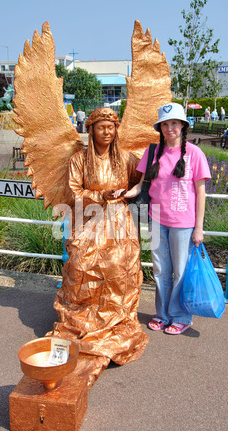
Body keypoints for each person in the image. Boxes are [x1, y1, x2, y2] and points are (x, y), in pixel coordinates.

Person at [50, 107, 149, 386]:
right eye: (101, 127)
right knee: (81, 264)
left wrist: (128, 193)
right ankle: (82, 318)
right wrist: (100, 195)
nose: (107, 132)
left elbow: (142, 180)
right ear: (91, 130)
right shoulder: (79, 159)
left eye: (111, 127)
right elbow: (74, 192)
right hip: (90, 220)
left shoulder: (127, 159)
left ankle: (115, 318)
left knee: (118, 265)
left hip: (119, 221)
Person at [114, 103, 211, 335]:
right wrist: (125, 193)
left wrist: (199, 228)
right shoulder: (153, 152)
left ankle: (180, 316)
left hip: (183, 224)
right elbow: (141, 185)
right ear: (160, 128)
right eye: (165, 124)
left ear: (183, 126)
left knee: (180, 270)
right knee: (160, 270)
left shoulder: (194, 154)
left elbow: (201, 192)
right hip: (156, 220)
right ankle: (162, 314)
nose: (170, 128)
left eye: (174, 124)